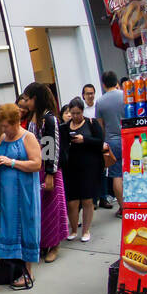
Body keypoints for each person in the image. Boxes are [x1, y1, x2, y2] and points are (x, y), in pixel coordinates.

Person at [0, 103, 42, 290]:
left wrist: (12, 162)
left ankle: (28, 271)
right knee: (10, 226)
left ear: (16, 122)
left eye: (6, 125)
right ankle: (14, 268)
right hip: (7, 195)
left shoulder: (28, 137)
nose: (4, 129)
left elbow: (36, 164)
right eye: (2, 126)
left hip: (25, 192)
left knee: (27, 225)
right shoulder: (3, 138)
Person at [20, 82, 70, 263]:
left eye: (27, 99)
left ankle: (54, 245)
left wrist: (50, 173)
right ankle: (43, 243)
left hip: (48, 170)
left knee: (52, 209)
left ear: (35, 98)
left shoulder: (48, 119)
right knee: (40, 209)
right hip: (36, 168)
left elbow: (51, 148)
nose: (25, 102)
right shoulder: (34, 117)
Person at [60, 97, 105, 243]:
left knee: (87, 200)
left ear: (82, 111)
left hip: (89, 167)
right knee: (72, 202)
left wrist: (84, 139)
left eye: (78, 113)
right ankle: (73, 229)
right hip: (71, 168)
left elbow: (100, 142)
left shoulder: (91, 124)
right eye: (72, 113)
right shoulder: (65, 127)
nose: (75, 116)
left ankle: (86, 230)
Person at [96, 72, 125, 218]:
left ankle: (123, 208)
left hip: (112, 142)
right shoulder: (125, 95)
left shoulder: (100, 102)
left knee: (116, 175)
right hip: (130, 137)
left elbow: (100, 127)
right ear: (116, 82)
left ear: (103, 84)